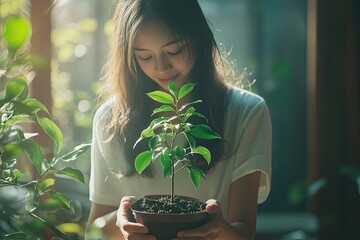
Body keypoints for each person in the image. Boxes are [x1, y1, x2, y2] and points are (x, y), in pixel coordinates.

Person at [85, 0, 272, 239]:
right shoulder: (111, 119)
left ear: (198, 38)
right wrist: (120, 224)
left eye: (174, 51)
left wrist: (218, 227)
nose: (161, 67)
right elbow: (92, 232)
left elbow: (244, 232)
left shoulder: (246, 112)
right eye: (144, 56)